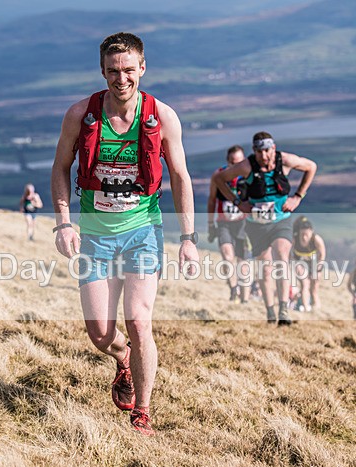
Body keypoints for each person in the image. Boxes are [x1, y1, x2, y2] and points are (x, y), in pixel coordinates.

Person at [51, 32, 198, 436]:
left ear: (143, 69)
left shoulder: (162, 116)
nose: (122, 79)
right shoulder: (81, 114)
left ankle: (143, 413)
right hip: (95, 236)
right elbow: (60, 167)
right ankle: (123, 359)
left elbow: (181, 176)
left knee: (138, 318)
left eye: (129, 70)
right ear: (102, 71)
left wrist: (188, 238)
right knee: (100, 332)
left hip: (143, 233)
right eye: (113, 71)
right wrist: (63, 222)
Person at [212, 131, 317, 325]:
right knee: (265, 269)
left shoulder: (284, 160)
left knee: (281, 255)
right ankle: (270, 312)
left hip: (281, 220)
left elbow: (311, 167)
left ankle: (284, 311)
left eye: (267, 150)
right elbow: (219, 179)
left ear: (273, 148)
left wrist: (298, 196)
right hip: (256, 225)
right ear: (254, 151)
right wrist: (237, 202)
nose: (263, 156)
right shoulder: (246, 166)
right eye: (259, 151)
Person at [207, 145, 252, 303]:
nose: (236, 166)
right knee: (227, 256)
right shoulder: (219, 175)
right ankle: (233, 289)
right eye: (233, 163)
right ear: (228, 161)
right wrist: (210, 224)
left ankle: (245, 299)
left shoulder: (248, 176)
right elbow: (212, 200)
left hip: (243, 223)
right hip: (224, 223)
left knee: (243, 261)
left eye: (239, 162)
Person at [291, 216, 326, 312]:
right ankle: (306, 306)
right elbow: (289, 254)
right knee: (304, 284)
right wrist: (294, 264)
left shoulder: (316, 239)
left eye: (306, 234)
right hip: (300, 262)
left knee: (314, 287)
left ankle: (316, 307)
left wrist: (318, 269)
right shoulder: (295, 239)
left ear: (311, 232)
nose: (304, 237)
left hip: (314, 263)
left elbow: (322, 254)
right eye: (302, 234)